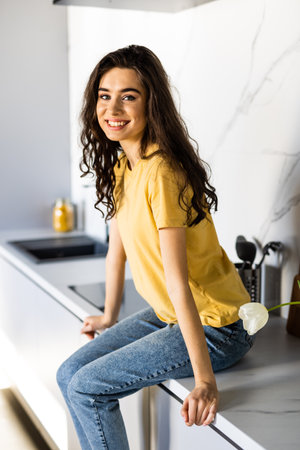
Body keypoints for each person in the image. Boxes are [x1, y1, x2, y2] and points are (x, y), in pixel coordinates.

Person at [56, 45, 253, 450]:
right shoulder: (122, 166)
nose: (114, 107)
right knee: (69, 374)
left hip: (217, 327)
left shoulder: (162, 170)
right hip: (172, 317)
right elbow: (118, 249)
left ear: (151, 104)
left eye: (129, 96)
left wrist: (205, 382)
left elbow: (177, 280)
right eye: (104, 95)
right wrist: (109, 315)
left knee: (87, 388)